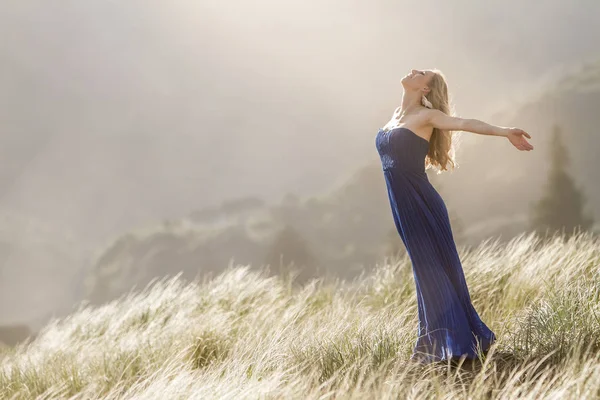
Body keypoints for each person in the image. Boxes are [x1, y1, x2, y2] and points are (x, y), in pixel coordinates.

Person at [375, 68, 533, 364]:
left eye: (420, 73)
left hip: (422, 203)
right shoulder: (397, 115)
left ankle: (449, 345)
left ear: (424, 89)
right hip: (403, 206)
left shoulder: (427, 115)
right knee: (425, 269)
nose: (413, 70)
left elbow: (464, 123)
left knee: (432, 268)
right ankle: (447, 341)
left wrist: (504, 132)